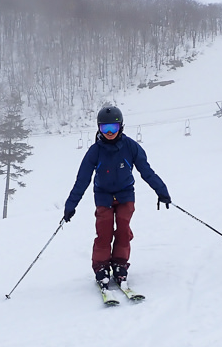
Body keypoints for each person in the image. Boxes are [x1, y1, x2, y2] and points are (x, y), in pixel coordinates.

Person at [63, 106, 171, 288]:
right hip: (103, 196)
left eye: (113, 127)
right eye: (105, 129)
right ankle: (101, 268)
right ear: (99, 129)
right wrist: (70, 205)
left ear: (121, 126)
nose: (110, 132)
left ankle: (120, 264)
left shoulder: (131, 147)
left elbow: (146, 171)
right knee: (103, 233)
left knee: (123, 231)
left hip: (125, 195)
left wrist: (162, 191)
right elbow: (82, 180)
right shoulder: (95, 151)